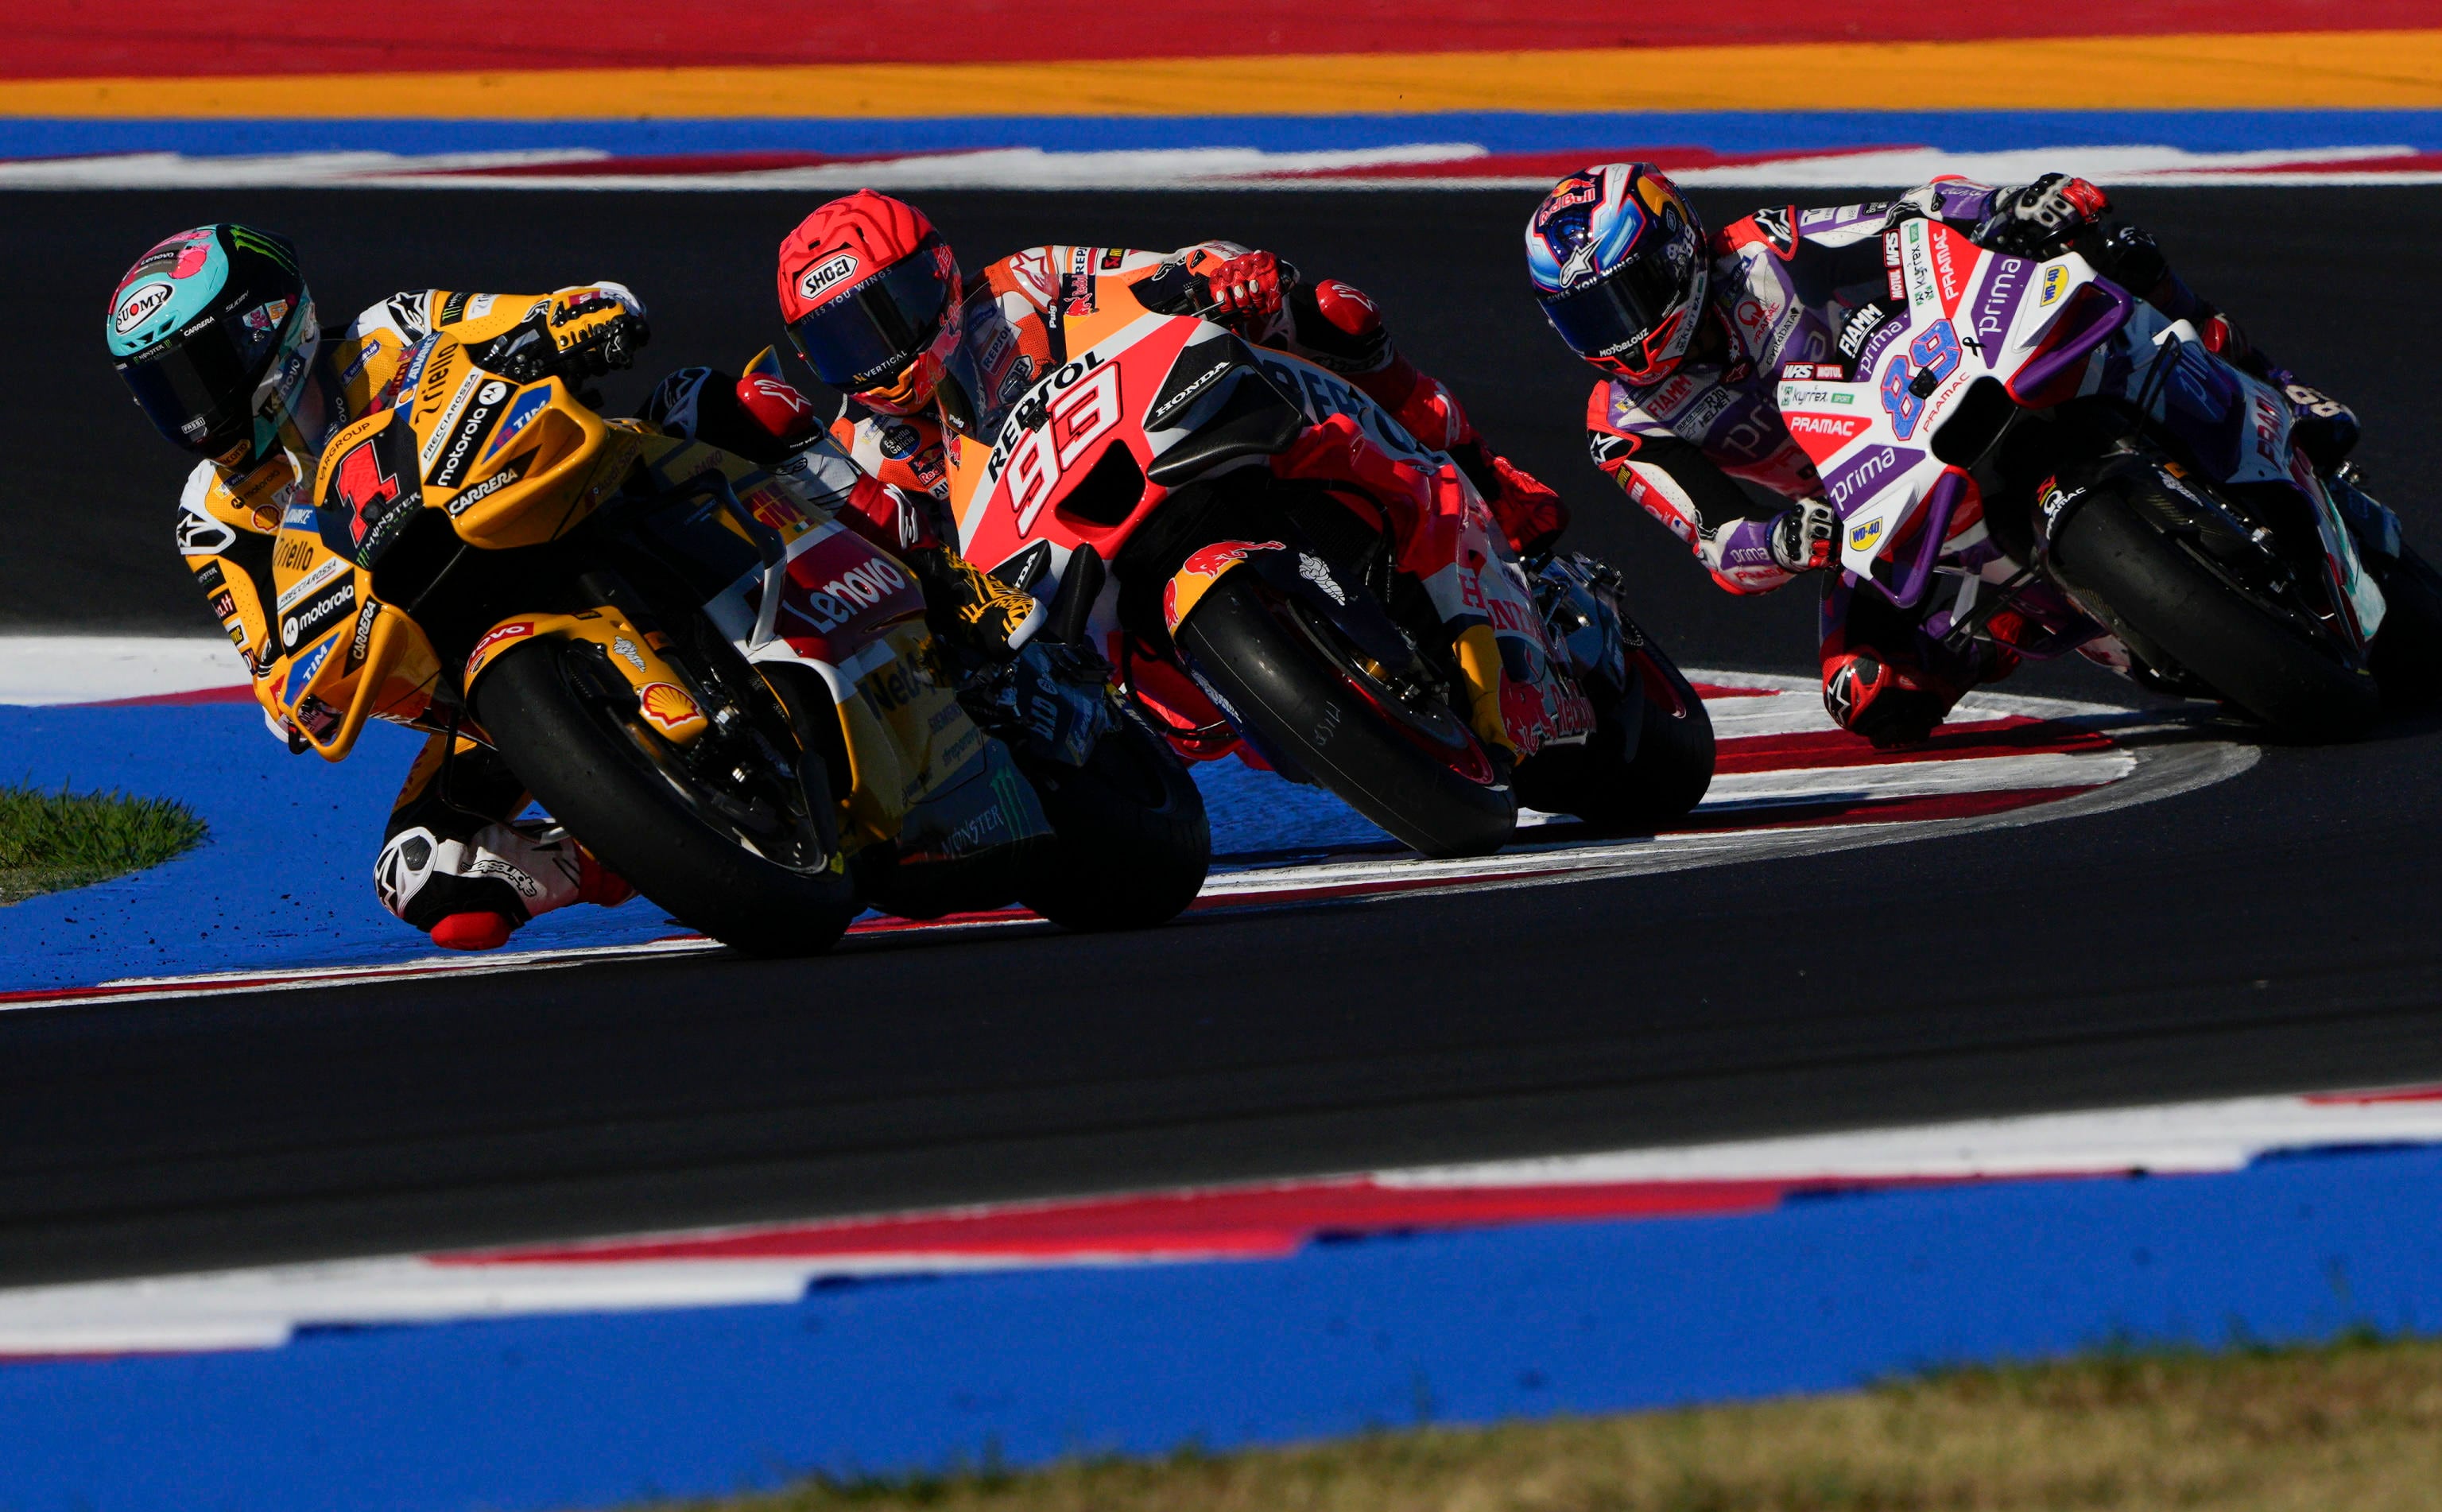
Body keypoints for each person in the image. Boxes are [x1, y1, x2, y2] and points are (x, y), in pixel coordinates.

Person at [1524, 164, 2367, 744]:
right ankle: (2020, 615)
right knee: (1869, 696)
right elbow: (1712, 538)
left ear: (1676, 246)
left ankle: (2277, 386)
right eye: (1589, 319)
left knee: (2112, 247)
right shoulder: (1624, 421)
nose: (1624, 334)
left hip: (1934, 379)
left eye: (1626, 296)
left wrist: (2010, 208)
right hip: (1861, 508)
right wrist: (1786, 539)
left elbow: (1902, 222)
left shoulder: (1763, 248)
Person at [743, 189, 1573, 754]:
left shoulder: (1018, 287)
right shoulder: (866, 446)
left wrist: (1222, 276)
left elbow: (1155, 272)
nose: (878, 360)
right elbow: (897, 559)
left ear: (932, 278)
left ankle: (1489, 483)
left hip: (1166, 439)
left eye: (881, 318)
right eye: (842, 343)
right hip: (1070, 582)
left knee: (1334, 312)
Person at [107, 223, 652, 950]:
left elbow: (548, 309)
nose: (192, 409)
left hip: (579, 524)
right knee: (427, 880)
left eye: (200, 368)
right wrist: (300, 702)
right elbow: (271, 666)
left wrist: (581, 317)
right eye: (165, 388)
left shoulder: (389, 330)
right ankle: (632, 850)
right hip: (478, 686)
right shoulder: (209, 514)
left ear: (264, 323)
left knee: (717, 404)